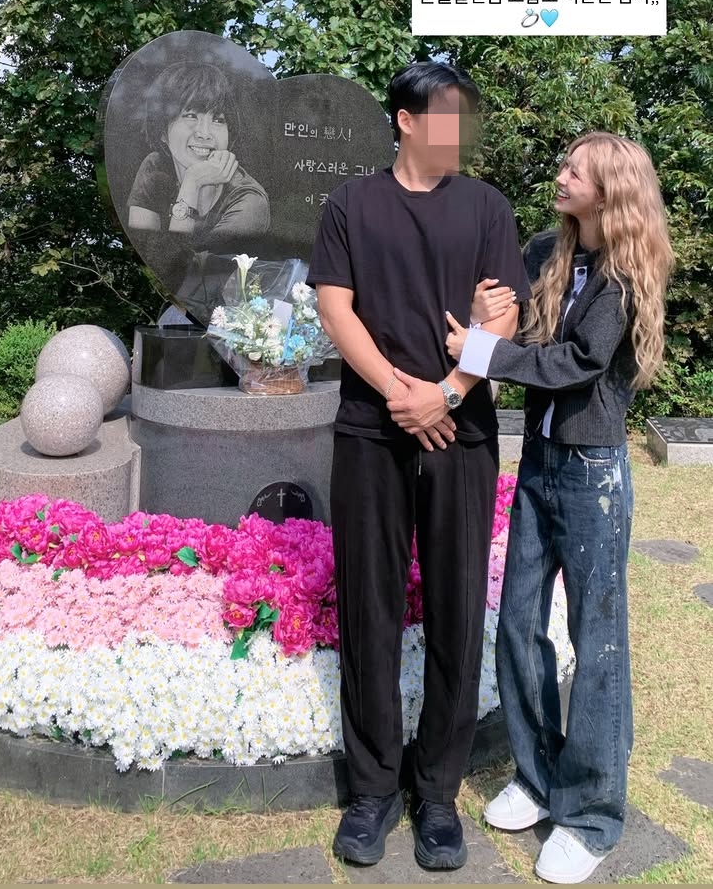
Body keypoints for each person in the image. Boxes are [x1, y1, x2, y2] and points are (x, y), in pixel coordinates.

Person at [307, 62, 532, 871]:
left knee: (455, 604)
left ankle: (437, 791)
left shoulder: (487, 207)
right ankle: (372, 787)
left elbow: (503, 314)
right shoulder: (350, 204)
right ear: (405, 120)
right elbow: (335, 307)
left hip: (461, 433)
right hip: (371, 430)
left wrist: (448, 391)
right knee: (368, 603)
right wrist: (401, 392)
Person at [445, 132, 673, 884]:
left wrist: (481, 355)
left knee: (595, 640)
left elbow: (578, 363)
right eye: (565, 163)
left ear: (609, 189)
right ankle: (538, 775)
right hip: (539, 463)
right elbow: (512, 319)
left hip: (592, 474)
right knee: (517, 621)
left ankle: (592, 814)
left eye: (577, 168)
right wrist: (482, 315)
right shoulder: (549, 250)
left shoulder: (624, 274)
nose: (561, 172)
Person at [127, 62, 270, 319]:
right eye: (191, 115)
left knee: (174, 320)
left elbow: (186, 281)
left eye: (218, 120)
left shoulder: (249, 201)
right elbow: (145, 252)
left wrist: (191, 184)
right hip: (179, 310)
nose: (205, 134)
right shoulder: (155, 168)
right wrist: (191, 185)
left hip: (233, 317)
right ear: (162, 130)